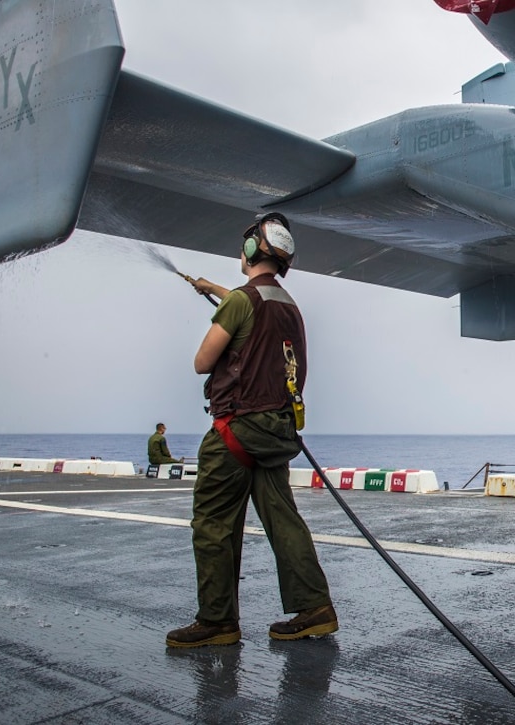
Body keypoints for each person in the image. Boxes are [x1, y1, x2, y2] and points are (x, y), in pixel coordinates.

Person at [166, 212, 337, 648]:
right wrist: (213, 290)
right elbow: (250, 306)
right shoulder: (288, 305)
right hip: (278, 430)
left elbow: (202, 362)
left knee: (213, 524)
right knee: (283, 519)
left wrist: (222, 305)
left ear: (249, 250)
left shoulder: (241, 301)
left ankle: (218, 622)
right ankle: (315, 608)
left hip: (236, 429)